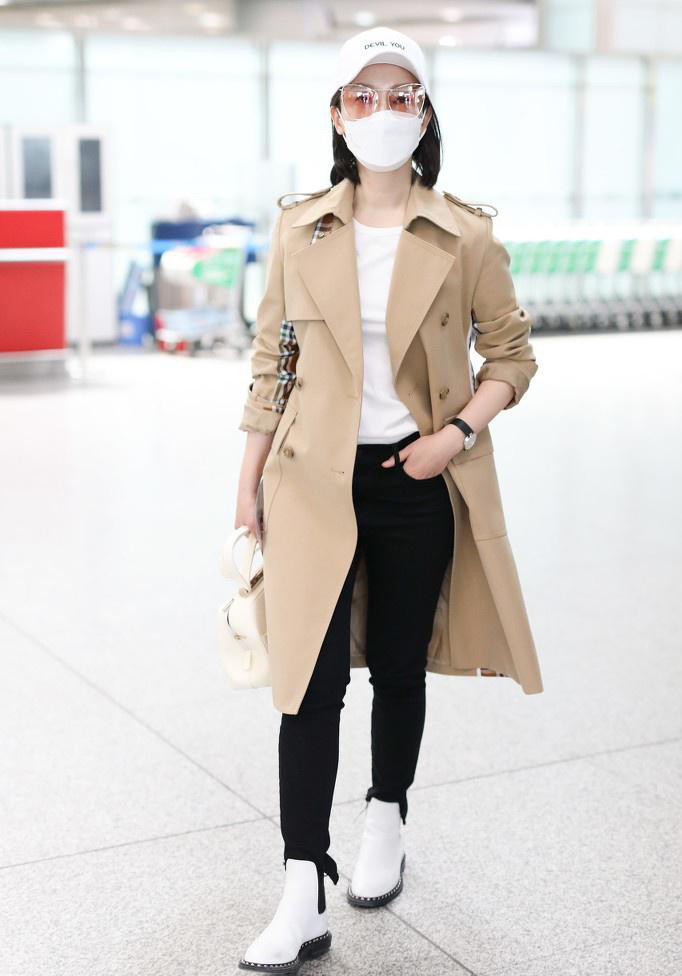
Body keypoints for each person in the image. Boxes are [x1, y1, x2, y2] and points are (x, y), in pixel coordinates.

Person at [234, 25, 540, 974]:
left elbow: (513, 357)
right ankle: (301, 888)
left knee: (400, 667)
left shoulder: (465, 235)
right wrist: (245, 484)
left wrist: (455, 437)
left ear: (424, 113)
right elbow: (272, 363)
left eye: (401, 94)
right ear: (337, 115)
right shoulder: (300, 229)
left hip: (415, 481)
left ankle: (386, 819)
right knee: (307, 685)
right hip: (309, 482)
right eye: (362, 95)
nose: (381, 111)